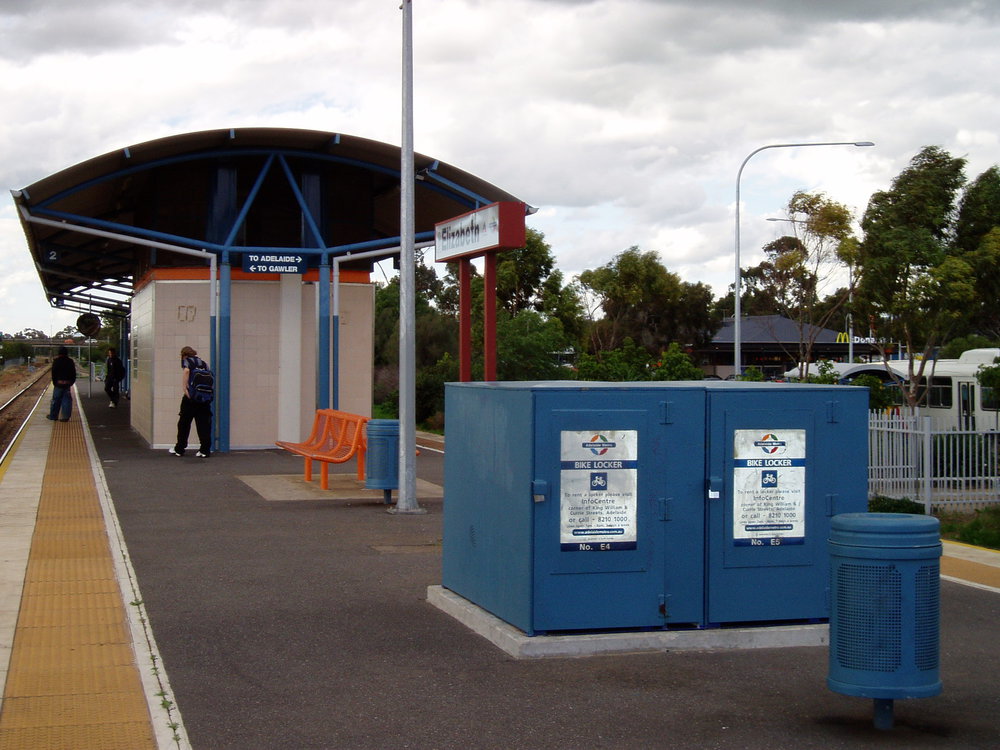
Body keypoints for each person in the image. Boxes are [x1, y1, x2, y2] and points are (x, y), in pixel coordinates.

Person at [170, 346, 212, 457]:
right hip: (204, 398)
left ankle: (180, 448)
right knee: (203, 424)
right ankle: (205, 450)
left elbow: (187, 371)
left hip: (191, 398)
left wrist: (185, 388)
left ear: (184, 355)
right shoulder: (203, 363)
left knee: (184, 423)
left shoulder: (187, 361)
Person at [47, 346, 77, 422]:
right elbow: (73, 373)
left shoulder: (56, 361)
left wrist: (55, 382)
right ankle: (65, 417)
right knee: (66, 400)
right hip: (67, 383)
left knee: (55, 400)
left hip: (58, 383)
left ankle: (53, 416)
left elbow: (54, 373)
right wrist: (71, 382)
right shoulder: (70, 361)